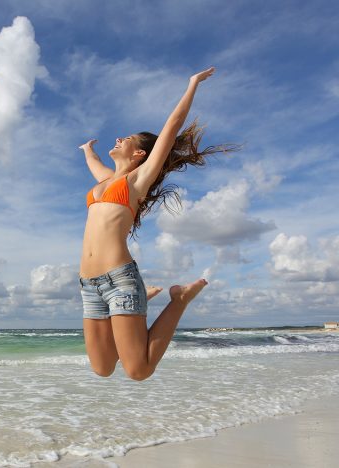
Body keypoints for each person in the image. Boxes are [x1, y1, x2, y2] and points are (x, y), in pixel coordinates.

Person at [78, 66, 239, 381]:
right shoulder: (106, 182)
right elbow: (95, 165)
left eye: (126, 139)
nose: (118, 138)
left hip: (119, 280)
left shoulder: (138, 180)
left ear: (139, 153)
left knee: (138, 370)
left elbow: (173, 125)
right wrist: (88, 151)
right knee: (103, 368)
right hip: (88, 285)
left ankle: (178, 300)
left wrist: (192, 85)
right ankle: (143, 300)